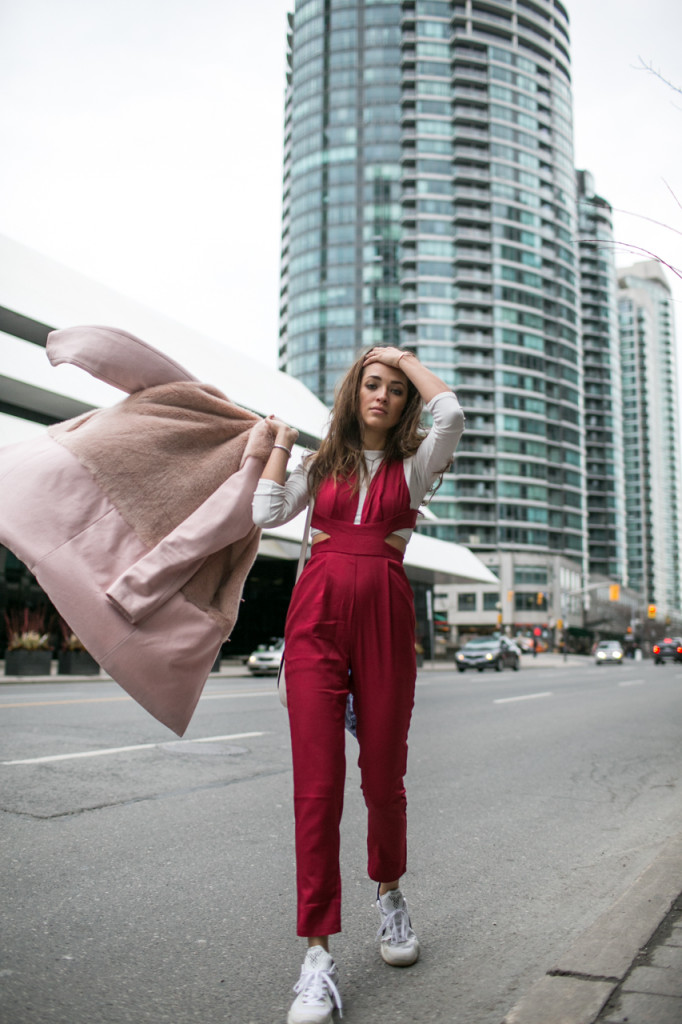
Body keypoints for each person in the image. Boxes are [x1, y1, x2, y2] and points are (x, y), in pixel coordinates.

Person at [252, 346, 464, 1023]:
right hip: (315, 623)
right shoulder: (323, 466)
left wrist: (396, 355)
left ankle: (390, 897)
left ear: (405, 404)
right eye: (371, 384)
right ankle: (316, 957)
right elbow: (264, 512)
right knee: (316, 787)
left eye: (395, 389)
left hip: (383, 624)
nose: (382, 394)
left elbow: (453, 411)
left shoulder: (417, 465)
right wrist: (283, 444)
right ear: (354, 393)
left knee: (383, 779)